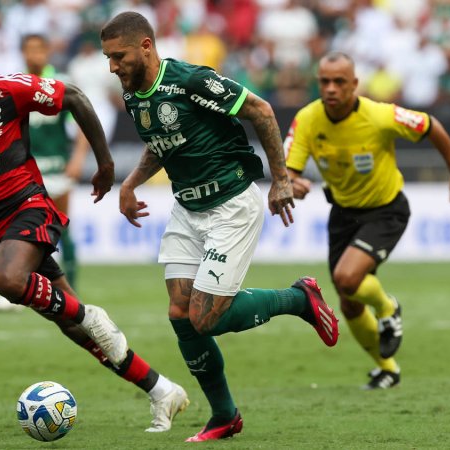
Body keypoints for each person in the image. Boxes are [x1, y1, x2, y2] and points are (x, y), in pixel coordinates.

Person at [0, 19, 188, 433]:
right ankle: (161, 389)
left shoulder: (8, 88)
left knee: (8, 281)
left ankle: (91, 314)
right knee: (71, 327)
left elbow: (77, 98)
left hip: (28, 205)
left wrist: (103, 163)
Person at [100, 12, 339, 442]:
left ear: (146, 47)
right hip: (187, 208)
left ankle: (299, 299)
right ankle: (225, 415)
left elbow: (261, 110)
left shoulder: (190, 80)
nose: (113, 67)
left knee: (206, 318)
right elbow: (164, 143)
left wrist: (281, 178)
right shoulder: (134, 94)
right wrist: (132, 182)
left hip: (231, 203)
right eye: (108, 59)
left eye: (118, 57)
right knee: (180, 314)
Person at [283, 52, 450, 390]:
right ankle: (387, 368)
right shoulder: (308, 119)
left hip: (386, 210)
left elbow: (431, 126)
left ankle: (389, 308)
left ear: (355, 84)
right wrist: (293, 184)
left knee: (346, 278)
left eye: (339, 82)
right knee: (348, 299)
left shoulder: (380, 116)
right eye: (324, 81)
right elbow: (290, 172)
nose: (330, 89)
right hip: (343, 214)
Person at [0, 33, 88, 312]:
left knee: (61, 231)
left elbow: (81, 122)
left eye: (39, 49)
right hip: (26, 173)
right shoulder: (15, 86)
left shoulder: (57, 83)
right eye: (29, 50)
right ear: (22, 53)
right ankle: (22, 289)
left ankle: (72, 292)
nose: (35, 55)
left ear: (47, 52)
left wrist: (79, 158)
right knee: (20, 231)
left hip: (57, 168)